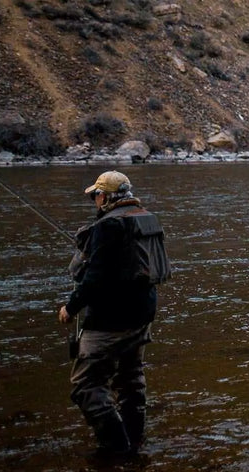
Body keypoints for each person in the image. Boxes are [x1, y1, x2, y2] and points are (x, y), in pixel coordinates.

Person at [58, 171, 170, 457]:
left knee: (86, 385)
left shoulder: (108, 226)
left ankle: (117, 449)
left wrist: (70, 308)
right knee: (130, 379)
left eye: (96, 195)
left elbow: (94, 280)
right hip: (142, 315)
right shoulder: (147, 218)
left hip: (109, 321)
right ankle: (136, 442)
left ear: (105, 196)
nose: (94, 200)